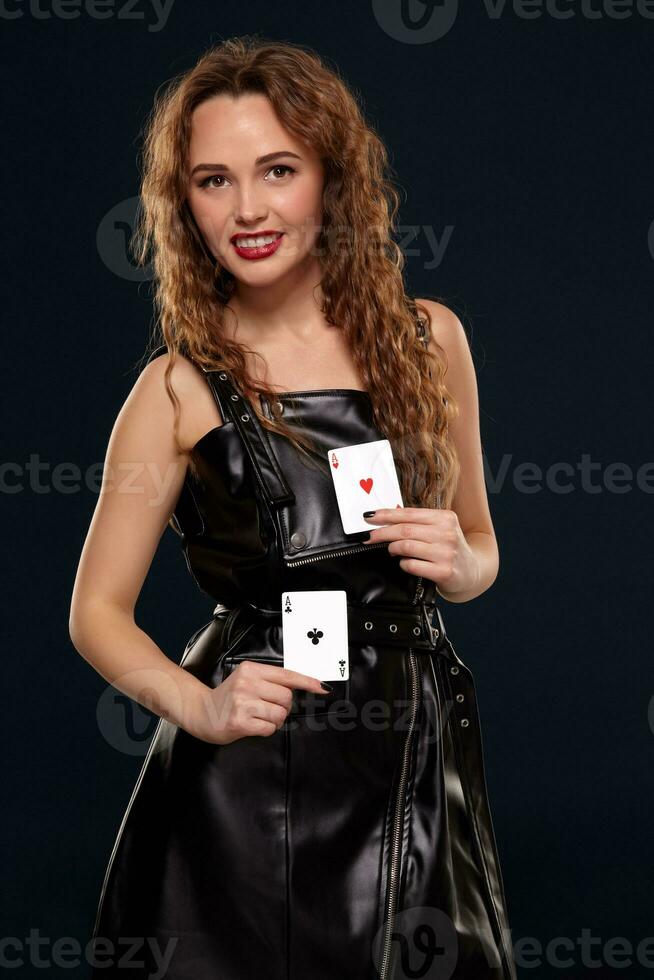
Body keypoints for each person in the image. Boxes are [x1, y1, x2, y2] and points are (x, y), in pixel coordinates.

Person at [69, 35, 517, 980]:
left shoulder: (429, 342)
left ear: (332, 179)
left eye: (278, 170)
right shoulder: (176, 389)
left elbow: (480, 552)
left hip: (406, 754)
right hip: (245, 782)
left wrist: (459, 558)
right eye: (213, 180)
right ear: (182, 202)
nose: (249, 209)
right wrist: (203, 705)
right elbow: (96, 615)